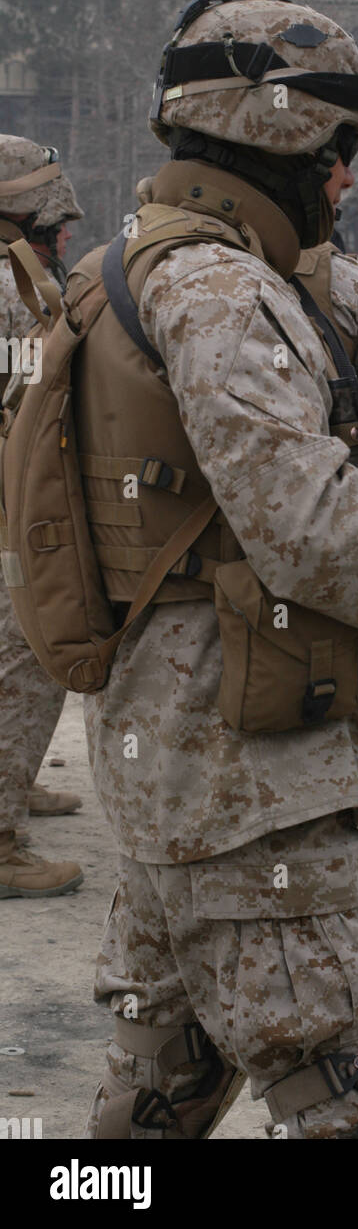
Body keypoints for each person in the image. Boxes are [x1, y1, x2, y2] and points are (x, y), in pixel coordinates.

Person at [66, 0, 358, 1140]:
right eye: (336, 153)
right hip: (249, 772)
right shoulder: (221, 292)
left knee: (162, 1078)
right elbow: (304, 525)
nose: (346, 181)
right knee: (335, 1095)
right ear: (274, 137)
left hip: (176, 750)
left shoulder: (138, 265)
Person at [0, 135, 84, 900]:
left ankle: (11, 792)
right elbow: (26, 391)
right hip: (8, 503)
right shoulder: (6, 281)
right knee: (23, 660)